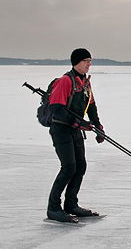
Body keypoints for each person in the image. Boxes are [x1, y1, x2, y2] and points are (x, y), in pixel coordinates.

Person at [46, 48, 105, 223]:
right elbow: (56, 109)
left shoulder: (85, 83)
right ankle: (53, 209)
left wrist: (98, 126)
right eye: (86, 60)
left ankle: (71, 205)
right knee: (68, 168)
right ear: (76, 62)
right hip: (61, 129)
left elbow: (91, 106)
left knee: (80, 166)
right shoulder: (65, 81)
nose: (89, 64)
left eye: (90, 60)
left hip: (75, 129)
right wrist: (80, 123)